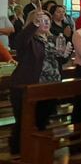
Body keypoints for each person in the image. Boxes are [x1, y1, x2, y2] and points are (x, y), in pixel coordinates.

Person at [8, 10, 54, 154]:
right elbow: (20, 41)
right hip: (26, 85)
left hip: (48, 86)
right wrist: (34, 23)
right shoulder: (28, 40)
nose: (45, 23)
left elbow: (53, 62)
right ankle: (17, 152)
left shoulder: (50, 40)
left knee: (42, 120)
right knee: (23, 121)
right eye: (41, 20)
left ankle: (36, 150)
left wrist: (63, 54)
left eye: (47, 20)